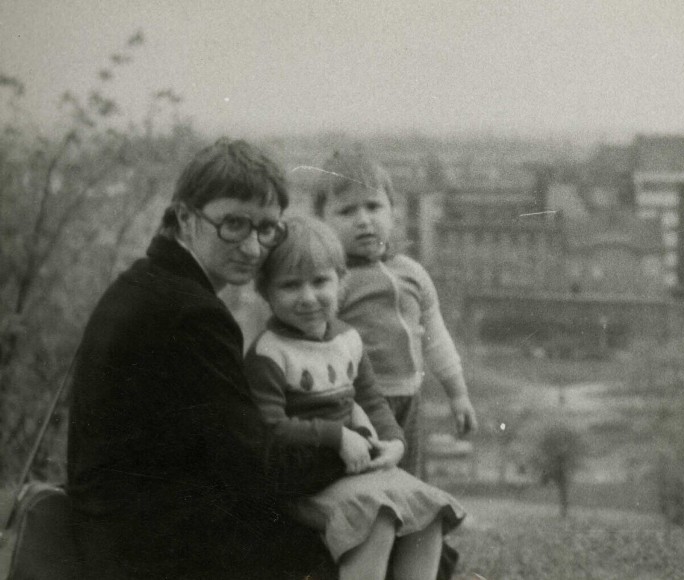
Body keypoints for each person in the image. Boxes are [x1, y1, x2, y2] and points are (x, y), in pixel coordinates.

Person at [67, 138, 378, 579]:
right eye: (233, 224)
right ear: (185, 218)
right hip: (151, 555)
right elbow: (257, 469)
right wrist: (348, 448)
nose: (252, 248)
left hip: (111, 535)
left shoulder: (143, 283)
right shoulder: (194, 315)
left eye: (266, 227)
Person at [244, 215, 465, 580]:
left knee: (428, 509)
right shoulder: (270, 353)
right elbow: (269, 428)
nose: (308, 297)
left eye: (320, 282)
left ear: (340, 280)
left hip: (348, 471)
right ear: (265, 291)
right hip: (301, 480)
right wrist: (336, 435)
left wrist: (394, 441)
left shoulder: (347, 339)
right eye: (290, 286)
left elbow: (372, 399)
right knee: (374, 517)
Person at [314, 150, 479, 476]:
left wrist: (458, 395)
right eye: (347, 211)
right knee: (368, 482)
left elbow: (436, 338)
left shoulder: (412, 273)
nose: (364, 220)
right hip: (358, 405)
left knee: (410, 479)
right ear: (322, 222)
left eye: (374, 206)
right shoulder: (334, 281)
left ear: (393, 213)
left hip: (410, 397)